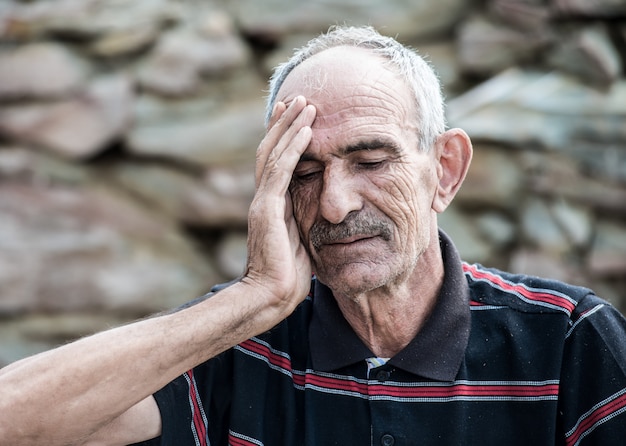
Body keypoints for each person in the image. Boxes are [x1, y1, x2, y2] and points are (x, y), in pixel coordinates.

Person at [1, 25, 625, 446]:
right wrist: (255, 299)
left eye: (371, 161)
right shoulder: (239, 344)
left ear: (445, 171)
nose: (334, 204)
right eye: (302, 172)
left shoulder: (568, 340)